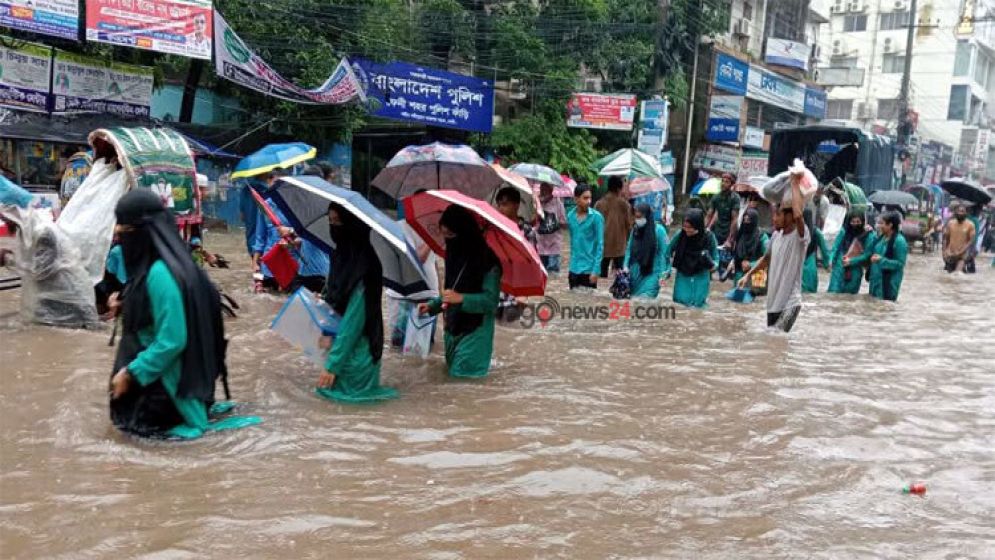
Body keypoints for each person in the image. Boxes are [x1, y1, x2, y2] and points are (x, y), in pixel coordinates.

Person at [108, 189, 259, 438]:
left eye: (124, 232)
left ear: (143, 233)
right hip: (154, 383)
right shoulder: (163, 266)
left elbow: (172, 340)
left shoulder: (160, 273)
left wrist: (132, 373)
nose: (119, 238)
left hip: (162, 389)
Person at [315, 203, 398, 402]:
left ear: (352, 225)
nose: (334, 228)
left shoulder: (365, 265)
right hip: (340, 351)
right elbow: (336, 297)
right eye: (331, 221)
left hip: (359, 358)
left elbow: (353, 322)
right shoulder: (340, 257)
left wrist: (332, 365)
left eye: (339, 222)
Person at [419, 206, 501, 378]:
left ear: (464, 233)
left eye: (450, 235)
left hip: (475, 333)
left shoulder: (488, 261)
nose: (447, 240)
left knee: (463, 384)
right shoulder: (454, 254)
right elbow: (451, 292)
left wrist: (462, 298)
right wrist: (433, 306)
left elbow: (490, 301)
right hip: (452, 328)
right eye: (444, 235)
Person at [740, 177, 808, 332]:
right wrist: (748, 275)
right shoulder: (775, 237)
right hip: (773, 303)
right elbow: (765, 259)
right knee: (774, 345)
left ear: (789, 217)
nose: (774, 219)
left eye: (777, 215)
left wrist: (795, 183)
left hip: (791, 303)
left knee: (777, 336)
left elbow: (798, 216)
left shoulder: (800, 236)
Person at [386, 197, 439, 352]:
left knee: (425, 349)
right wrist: (432, 238)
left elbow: (433, 263)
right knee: (398, 348)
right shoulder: (401, 227)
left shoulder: (433, 227)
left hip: (429, 295)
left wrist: (440, 294)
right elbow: (415, 260)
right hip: (403, 296)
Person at [494, 187, 535, 323]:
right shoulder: (494, 229)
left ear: (516, 205)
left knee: (512, 329)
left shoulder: (527, 231)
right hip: (494, 292)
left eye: (505, 204)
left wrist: (524, 293)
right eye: (499, 204)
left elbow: (532, 264)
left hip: (515, 295)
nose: (500, 208)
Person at [667, 208, 718, 308]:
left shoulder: (709, 237)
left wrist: (713, 266)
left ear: (698, 225)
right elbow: (667, 252)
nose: (687, 230)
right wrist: (667, 269)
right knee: (680, 303)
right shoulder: (680, 235)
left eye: (690, 227)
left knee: (699, 305)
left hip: (701, 274)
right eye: (684, 226)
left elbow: (716, 258)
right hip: (683, 272)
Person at [623, 203, 669, 298]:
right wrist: (625, 266)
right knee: (633, 302)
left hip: (652, 273)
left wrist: (663, 274)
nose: (638, 220)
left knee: (645, 301)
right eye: (636, 217)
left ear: (647, 215)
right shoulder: (635, 230)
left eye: (640, 217)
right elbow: (629, 249)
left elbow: (664, 253)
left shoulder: (659, 231)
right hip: (634, 273)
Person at [566, 184, 604, 290]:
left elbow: (600, 245)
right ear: (576, 199)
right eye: (585, 198)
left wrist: (595, 271)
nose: (589, 201)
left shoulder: (597, 218)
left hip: (589, 270)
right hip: (573, 269)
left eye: (590, 198)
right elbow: (573, 243)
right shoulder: (570, 216)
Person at [827, 211, 874, 294]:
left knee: (850, 296)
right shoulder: (843, 231)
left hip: (855, 269)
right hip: (840, 265)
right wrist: (830, 261)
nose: (855, 224)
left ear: (862, 222)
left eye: (858, 222)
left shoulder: (867, 235)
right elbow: (835, 247)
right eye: (852, 222)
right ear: (848, 222)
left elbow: (867, 254)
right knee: (833, 292)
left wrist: (851, 261)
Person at [595, 176, 632, 278]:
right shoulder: (624, 204)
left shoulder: (599, 203)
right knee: (620, 277)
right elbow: (629, 225)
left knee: (600, 276)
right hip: (619, 246)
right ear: (618, 189)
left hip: (602, 246)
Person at [868, 211, 908, 302]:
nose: (879, 226)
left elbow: (900, 264)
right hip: (875, 280)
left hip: (889, 282)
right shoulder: (881, 238)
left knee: (886, 306)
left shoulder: (899, 241)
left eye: (882, 223)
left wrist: (881, 260)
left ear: (890, 225)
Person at [728, 207, 768, 286]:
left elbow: (767, 258)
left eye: (749, 220)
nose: (746, 223)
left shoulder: (762, 237)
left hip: (757, 277)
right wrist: (733, 261)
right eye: (744, 220)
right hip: (739, 275)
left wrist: (751, 264)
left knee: (754, 296)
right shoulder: (741, 235)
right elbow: (737, 253)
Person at [536, 183, 566, 274]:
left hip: (554, 245)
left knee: (553, 274)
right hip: (540, 245)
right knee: (540, 274)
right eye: (541, 190)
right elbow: (531, 221)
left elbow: (564, 224)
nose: (543, 192)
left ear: (551, 191)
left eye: (545, 190)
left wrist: (554, 222)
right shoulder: (536, 203)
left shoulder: (558, 204)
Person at [706, 172, 741, 249]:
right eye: (722, 181)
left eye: (726, 182)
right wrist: (703, 230)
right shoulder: (716, 197)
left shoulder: (735, 198)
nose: (723, 183)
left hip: (729, 232)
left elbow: (734, 220)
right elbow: (709, 215)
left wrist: (729, 239)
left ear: (731, 184)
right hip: (717, 230)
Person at [801, 208, 831, 293]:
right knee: (810, 291)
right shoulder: (816, 232)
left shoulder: (797, 231)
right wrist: (826, 265)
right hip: (810, 263)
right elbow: (824, 250)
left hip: (799, 262)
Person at [942, 203, 975, 273]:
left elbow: (970, 241)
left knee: (957, 274)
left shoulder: (970, 225)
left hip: (962, 255)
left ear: (966, 213)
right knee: (949, 274)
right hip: (950, 254)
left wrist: (960, 252)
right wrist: (944, 251)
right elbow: (945, 238)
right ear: (955, 212)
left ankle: (962, 268)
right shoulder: (950, 223)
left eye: (962, 211)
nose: (960, 213)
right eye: (958, 211)